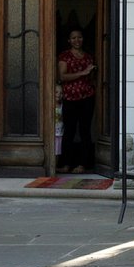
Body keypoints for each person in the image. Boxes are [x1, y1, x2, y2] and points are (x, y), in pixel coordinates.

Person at [57, 29, 96, 174]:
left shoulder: (88, 57)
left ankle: (82, 164)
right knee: (69, 131)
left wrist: (90, 76)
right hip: (70, 98)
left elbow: (91, 78)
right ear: (69, 40)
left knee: (85, 131)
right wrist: (82, 73)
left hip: (87, 97)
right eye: (73, 38)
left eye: (79, 37)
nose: (77, 40)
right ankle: (66, 164)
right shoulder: (64, 56)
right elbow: (62, 76)